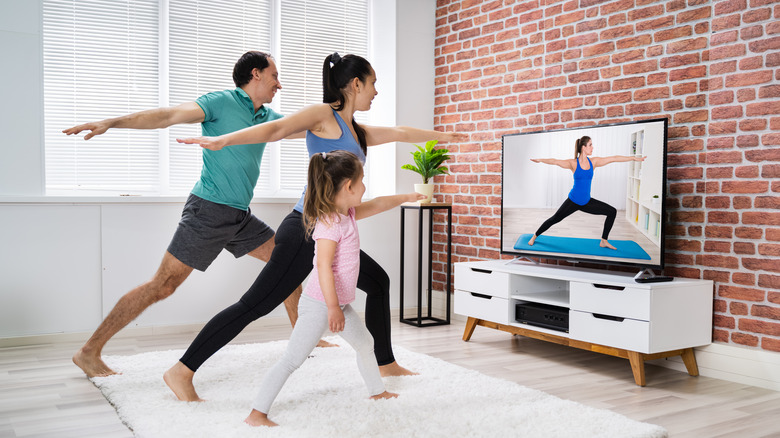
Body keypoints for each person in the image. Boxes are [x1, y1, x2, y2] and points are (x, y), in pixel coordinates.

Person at [164, 52, 465, 402]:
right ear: (355, 84)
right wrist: (223, 140)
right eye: (373, 85)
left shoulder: (357, 131)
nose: (375, 92)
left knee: (378, 281)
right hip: (305, 229)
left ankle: (385, 363)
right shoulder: (324, 116)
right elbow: (276, 129)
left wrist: (448, 135)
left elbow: (399, 132)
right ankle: (181, 370)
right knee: (254, 305)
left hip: (331, 229)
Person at [63, 51, 322, 378]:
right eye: (274, 76)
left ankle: (303, 341)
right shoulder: (220, 102)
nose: (279, 84)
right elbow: (167, 115)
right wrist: (112, 122)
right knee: (162, 286)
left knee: (288, 263)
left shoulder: (266, 117)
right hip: (209, 211)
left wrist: (348, 122)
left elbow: (311, 130)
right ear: (255, 74)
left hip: (239, 217)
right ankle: (88, 351)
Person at [246, 151, 420, 427]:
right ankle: (257, 413)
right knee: (292, 360)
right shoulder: (329, 224)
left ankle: (377, 392)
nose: (365, 187)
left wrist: (407, 198)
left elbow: (377, 204)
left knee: (365, 344)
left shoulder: (347, 213)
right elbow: (323, 267)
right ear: (348, 186)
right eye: (362, 181)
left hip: (338, 303)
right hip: (319, 305)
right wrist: (331, 308)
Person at [527, 135, 645, 250]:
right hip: (573, 201)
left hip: (586, 202)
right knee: (555, 219)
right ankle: (535, 236)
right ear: (583, 147)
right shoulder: (573, 163)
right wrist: (540, 160)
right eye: (590, 145)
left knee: (612, 211)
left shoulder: (593, 162)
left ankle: (604, 240)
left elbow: (613, 158)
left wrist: (633, 158)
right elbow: (555, 161)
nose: (592, 147)